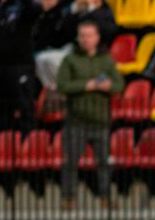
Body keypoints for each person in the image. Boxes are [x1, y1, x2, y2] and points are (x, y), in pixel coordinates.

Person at [56, 20, 123, 209]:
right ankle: (68, 198)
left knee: (104, 163)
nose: (86, 39)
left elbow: (119, 85)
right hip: (76, 121)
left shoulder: (106, 60)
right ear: (78, 38)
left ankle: (106, 198)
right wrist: (87, 85)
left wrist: (108, 86)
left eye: (89, 35)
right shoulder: (70, 60)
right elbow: (62, 85)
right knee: (70, 162)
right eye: (82, 35)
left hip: (101, 120)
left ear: (97, 37)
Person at [35, 0, 116, 90]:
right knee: (41, 59)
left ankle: (65, 89)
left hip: (95, 54)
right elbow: (63, 33)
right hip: (73, 48)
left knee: (56, 62)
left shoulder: (104, 12)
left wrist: (92, 9)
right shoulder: (75, 9)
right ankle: (55, 90)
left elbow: (107, 32)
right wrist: (73, 10)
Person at [0, 0, 41, 134]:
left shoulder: (23, 6)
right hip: (1, 67)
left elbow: (35, 10)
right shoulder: (1, 8)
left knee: (25, 108)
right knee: (2, 110)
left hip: (20, 65)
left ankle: (27, 147)